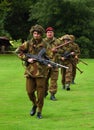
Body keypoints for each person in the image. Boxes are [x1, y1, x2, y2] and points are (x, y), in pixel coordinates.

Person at [15, 24, 49, 119]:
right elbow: (18, 52)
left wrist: (49, 62)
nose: (36, 35)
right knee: (29, 92)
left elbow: (51, 56)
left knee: (41, 94)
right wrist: (26, 59)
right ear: (32, 34)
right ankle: (34, 104)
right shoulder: (28, 43)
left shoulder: (46, 45)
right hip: (30, 72)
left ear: (41, 34)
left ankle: (39, 111)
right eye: (35, 33)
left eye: (38, 33)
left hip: (41, 72)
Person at [43, 27, 60, 100]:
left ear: (53, 33)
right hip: (45, 64)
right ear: (46, 33)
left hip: (54, 64)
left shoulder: (58, 42)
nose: (50, 33)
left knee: (54, 80)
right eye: (48, 32)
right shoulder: (42, 42)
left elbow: (62, 52)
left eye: (51, 32)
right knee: (44, 80)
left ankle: (52, 94)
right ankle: (44, 92)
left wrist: (57, 51)